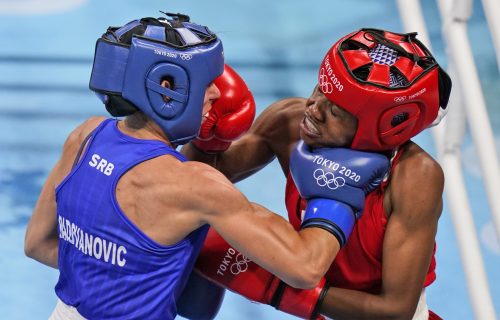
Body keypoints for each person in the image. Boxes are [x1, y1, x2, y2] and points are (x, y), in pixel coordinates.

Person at [23, 14, 390, 320]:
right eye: (207, 82)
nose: (216, 94)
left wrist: (119, 275)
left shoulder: (85, 136)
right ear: (166, 87)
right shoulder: (196, 185)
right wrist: (337, 195)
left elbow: (37, 245)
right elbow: (305, 267)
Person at [179, 28, 452, 319]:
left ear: (380, 128)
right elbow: (191, 183)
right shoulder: (289, 123)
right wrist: (207, 138)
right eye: (321, 88)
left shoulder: (415, 177)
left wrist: (279, 290)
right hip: (320, 302)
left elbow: (395, 311)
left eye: (335, 111)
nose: (313, 108)